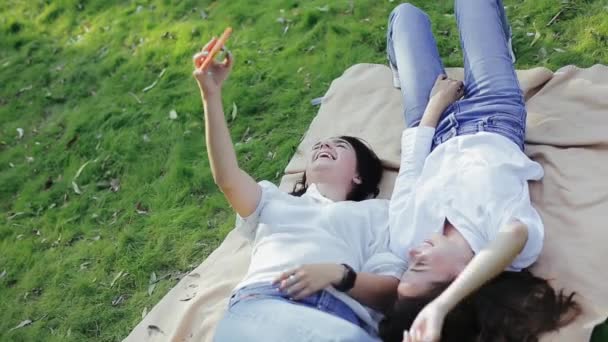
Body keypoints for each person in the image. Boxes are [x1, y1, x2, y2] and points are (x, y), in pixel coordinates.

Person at [379, 1, 579, 341]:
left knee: (405, 14)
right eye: (420, 265)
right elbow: (515, 233)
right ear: (461, 279)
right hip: (496, 113)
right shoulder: (505, 245)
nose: (413, 254)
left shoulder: (404, 239)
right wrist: (441, 306)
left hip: (433, 124)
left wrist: (435, 106)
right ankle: (502, 50)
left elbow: (411, 169)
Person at [191, 39, 406, 341]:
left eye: (339, 145)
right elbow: (227, 178)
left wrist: (339, 274)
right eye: (318, 145)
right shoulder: (273, 201)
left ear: (359, 175)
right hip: (262, 308)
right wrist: (210, 96)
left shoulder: (377, 213)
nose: (323, 145)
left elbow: (392, 293)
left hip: (338, 318)